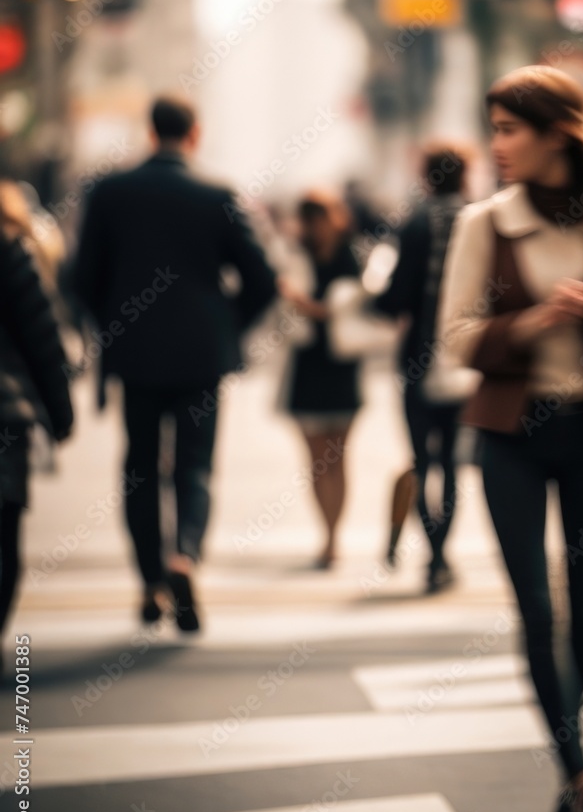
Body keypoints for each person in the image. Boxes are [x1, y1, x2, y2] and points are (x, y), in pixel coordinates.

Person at [441, 66, 583, 812]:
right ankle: (579, 771)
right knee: (536, 609)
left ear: (556, 134)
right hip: (509, 436)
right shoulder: (483, 224)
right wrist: (532, 322)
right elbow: (456, 336)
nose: (497, 145)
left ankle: (570, 747)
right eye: (494, 128)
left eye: (510, 130)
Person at [73, 96, 276, 631]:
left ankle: (149, 581)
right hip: (201, 355)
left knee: (140, 468)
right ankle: (184, 555)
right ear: (195, 134)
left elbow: (79, 278)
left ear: (149, 131)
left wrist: (112, 322)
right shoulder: (217, 195)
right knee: (194, 466)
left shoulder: (110, 192)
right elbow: (263, 280)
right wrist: (228, 325)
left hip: (135, 354)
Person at [375, 143, 470, 593]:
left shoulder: (414, 224)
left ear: (427, 177)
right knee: (452, 462)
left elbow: (393, 298)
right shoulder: (478, 217)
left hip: (419, 357)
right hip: (467, 359)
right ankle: (440, 555)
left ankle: (432, 551)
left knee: (419, 460)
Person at [0, 181, 74, 670]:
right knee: (4, 539)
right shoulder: (8, 249)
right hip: (5, 414)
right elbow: (41, 335)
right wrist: (59, 411)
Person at [279, 192, 361, 569]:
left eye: (321, 217)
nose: (316, 226)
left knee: (338, 456)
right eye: (309, 218)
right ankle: (327, 535)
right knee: (317, 460)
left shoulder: (354, 255)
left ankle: (334, 536)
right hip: (309, 366)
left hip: (343, 364)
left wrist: (309, 306)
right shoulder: (296, 256)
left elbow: (358, 304)